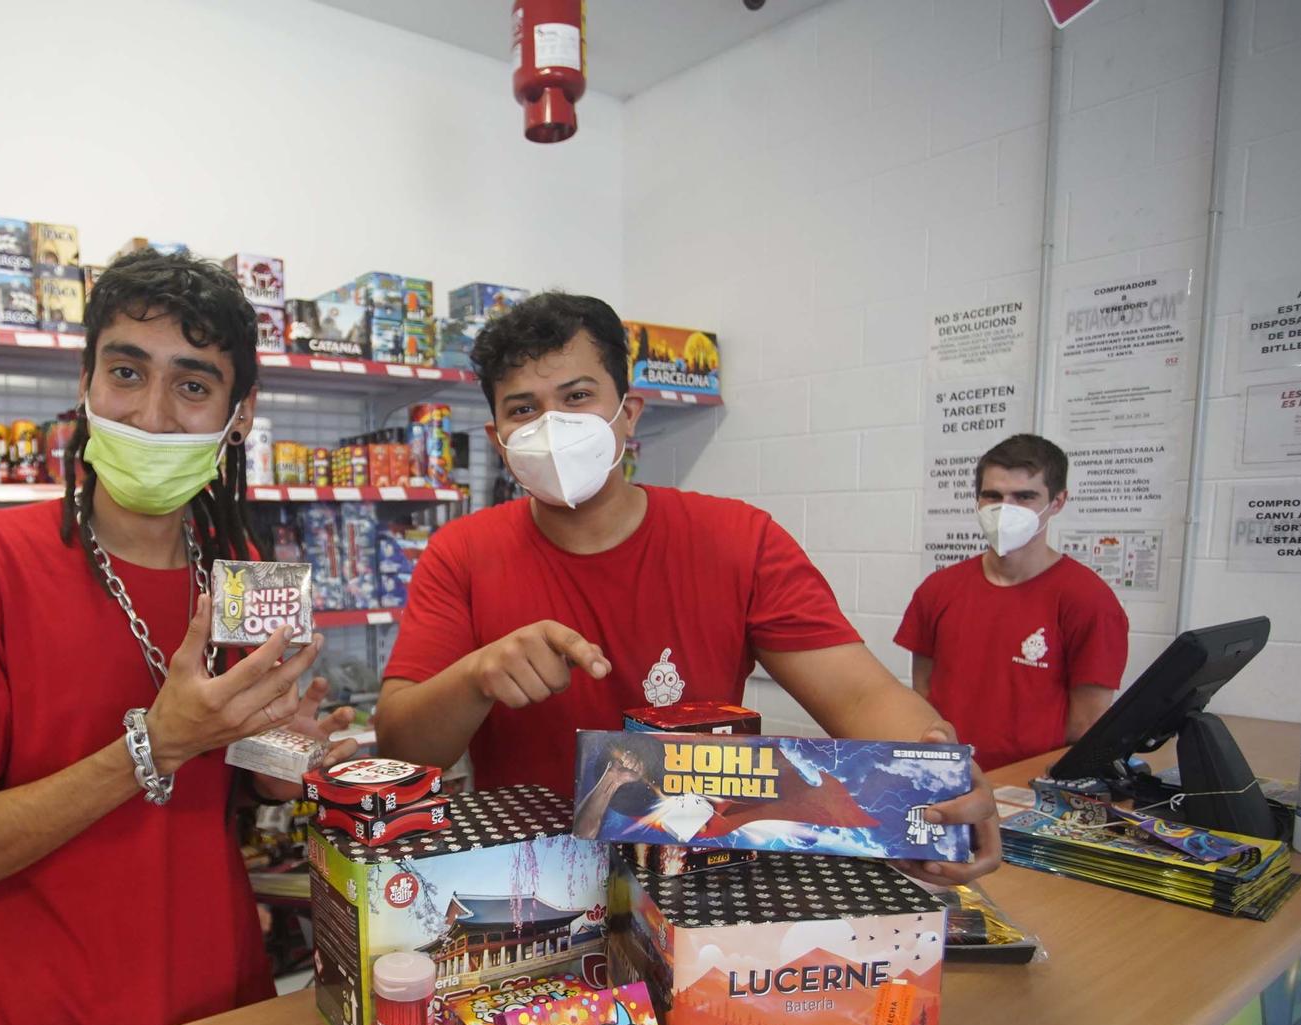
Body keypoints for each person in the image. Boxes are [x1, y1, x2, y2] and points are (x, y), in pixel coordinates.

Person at [0, 251, 356, 1025]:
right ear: (86, 381)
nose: (152, 414)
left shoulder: (243, 564)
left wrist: (285, 753)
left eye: (193, 386)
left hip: (229, 1011)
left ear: (240, 414)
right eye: (127, 372)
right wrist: (155, 744)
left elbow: (252, 777)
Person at [374, 291, 1000, 880]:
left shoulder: (739, 540)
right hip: (528, 883)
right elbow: (402, 744)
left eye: (577, 396)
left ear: (627, 414)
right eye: (523, 409)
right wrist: (476, 676)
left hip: (695, 877)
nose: (552, 425)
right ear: (499, 440)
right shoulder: (460, 553)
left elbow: (861, 696)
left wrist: (935, 772)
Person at [894, 433, 1129, 769]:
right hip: (948, 778)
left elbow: (1085, 727)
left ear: (1058, 502)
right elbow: (924, 696)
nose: (1005, 509)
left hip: (1031, 790)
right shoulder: (938, 589)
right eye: (993, 496)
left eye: (1024, 497)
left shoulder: (1090, 601)